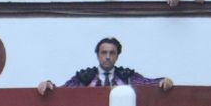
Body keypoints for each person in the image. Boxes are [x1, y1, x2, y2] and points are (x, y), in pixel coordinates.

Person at [36, 37, 172, 96]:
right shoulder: (84, 77)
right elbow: (62, 91)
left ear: (117, 56)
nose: (107, 56)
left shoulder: (127, 76)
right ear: (97, 55)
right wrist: (48, 84)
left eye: (112, 53)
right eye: (104, 52)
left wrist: (164, 80)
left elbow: (148, 83)